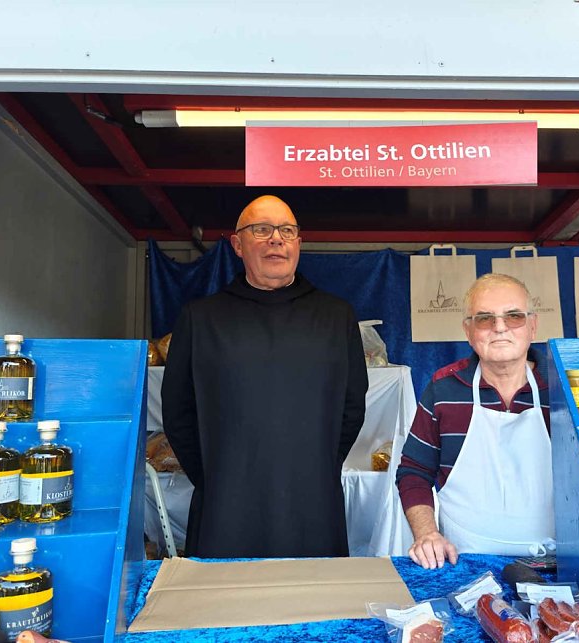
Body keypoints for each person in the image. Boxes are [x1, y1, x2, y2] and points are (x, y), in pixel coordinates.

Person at [161, 195, 368, 558]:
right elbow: (178, 413)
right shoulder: (201, 319)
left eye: (287, 231)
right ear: (237, 244)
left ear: (299, 244)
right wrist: (216, 477)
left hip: (313, 505)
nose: (276, 239)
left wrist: (317, 467)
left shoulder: (336, 317)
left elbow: (352, 407)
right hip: (226, 507)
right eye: (262, 229)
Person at [396, 273, 553, 568]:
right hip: (463, 562)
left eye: (513, 316)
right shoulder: (443, 389)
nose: (500, 328)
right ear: (468, 331)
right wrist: (427, 534)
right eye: (484, 319)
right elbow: (413, 472)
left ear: (533, 326)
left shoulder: (562, 390)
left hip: (554, 562)